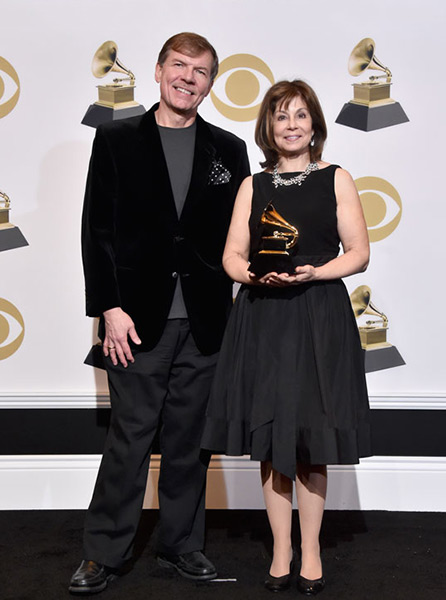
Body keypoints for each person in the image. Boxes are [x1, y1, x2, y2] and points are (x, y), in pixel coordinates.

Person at [69, 32, 250, 595]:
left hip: (205, 320)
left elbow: (239, 236)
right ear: (158, 70)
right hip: (135, 320)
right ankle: (103, 553)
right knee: (129, 438)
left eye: (200, 71)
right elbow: (96, 229)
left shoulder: (230, 148)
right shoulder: (117, 139)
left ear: (211, 83)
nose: (188, 77)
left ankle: (181, 544)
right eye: (179, 66)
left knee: (189, 441)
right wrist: (109, 307)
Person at [201, 80, 371, 596]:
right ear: (268, 128)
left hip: (317, 315)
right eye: (280, 116)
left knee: (311, 438)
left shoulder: (336, 178)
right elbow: (231, 254)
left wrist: (314, 273)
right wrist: (253, 276)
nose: (291, 124)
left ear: (315, 125)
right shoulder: (253, 186)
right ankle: (281, 550)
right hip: (264, 317)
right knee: (273, 439)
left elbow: (358, 252)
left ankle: (312, 551)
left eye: (300, 115)